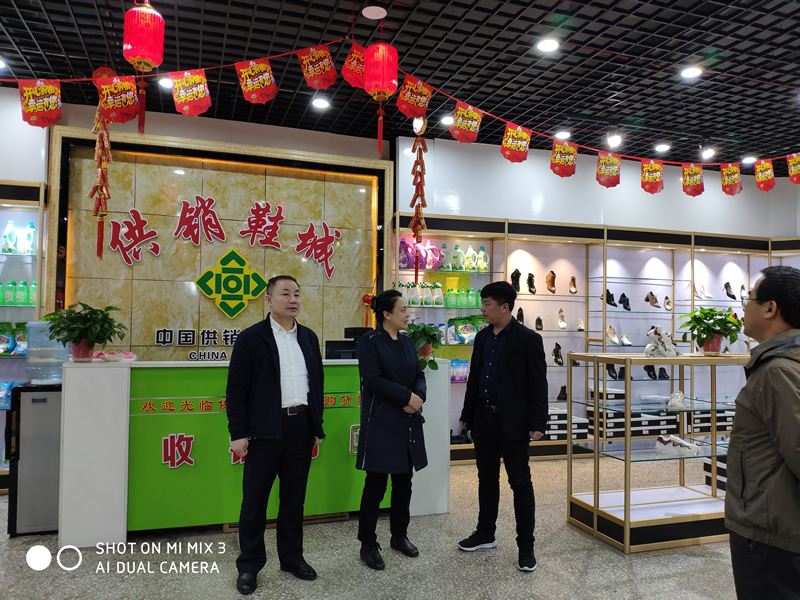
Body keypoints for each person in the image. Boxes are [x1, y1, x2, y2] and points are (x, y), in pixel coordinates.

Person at [226, 275, 325, 595]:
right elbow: (236, 389)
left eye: (297, 293)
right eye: (285, 294)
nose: (293, 299)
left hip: (300, 428)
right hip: (263, 431)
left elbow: (316, 384)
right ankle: (249, 565)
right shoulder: (251, 338)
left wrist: (316, 426)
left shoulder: (308, 337)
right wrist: (238, 433)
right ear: (269, 300)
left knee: (294, 500)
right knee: (254, 503)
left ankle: (292, 558)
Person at [458, 281, 547, 572]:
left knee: (520, 482)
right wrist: (466, 414)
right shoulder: (482, 337)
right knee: (486, 478)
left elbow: (538, 384)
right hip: (483, 419)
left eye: (487, 304)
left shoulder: (528, 339)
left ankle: (526, 546)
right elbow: (474, 378)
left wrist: (538, 422)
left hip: (514, 423)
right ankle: (485, 533)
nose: (482, 309)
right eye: (482, 303)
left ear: (505, 307)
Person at [726, 266, 800, 599]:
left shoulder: (778, 371)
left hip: (770, 531)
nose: (744, 306)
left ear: (770, 308)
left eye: (749, 298)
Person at [356, 289, 427, 570]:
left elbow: (419, 374)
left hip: (407, 421)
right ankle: (368, 544)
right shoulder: (369, 342)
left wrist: (418, 397)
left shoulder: (407, 342)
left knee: (403, 483)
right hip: (382, 422)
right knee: (375, 486)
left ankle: (399, 536)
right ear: (386, 314)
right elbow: (372, 380)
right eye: (403, 310)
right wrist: (407, 397)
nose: (408, 314)